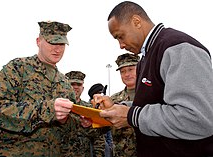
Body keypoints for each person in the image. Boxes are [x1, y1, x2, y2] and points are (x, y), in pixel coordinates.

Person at [94, 1, 213, 157]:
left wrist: (132, 116)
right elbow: (157, 103)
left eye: (120, 36)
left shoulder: (178, 48)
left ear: (136, 22)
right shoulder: (146, 57)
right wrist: (118, 107)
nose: (121, 45)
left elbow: (197, 119)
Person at [0, 21, 93, 156]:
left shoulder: (65, 83)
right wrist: (47, 110)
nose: (57, 49)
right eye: (52, 43)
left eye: (62, 44)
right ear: (38, 41)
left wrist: (79, 123)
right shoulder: (17, 68)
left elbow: (70, 134)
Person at [64, 71, 106, 157]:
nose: (76, 87)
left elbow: (98, 138)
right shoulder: (60, 107)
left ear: (82, 88)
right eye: (73, 84)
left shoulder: (90, 109)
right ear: (66, 86)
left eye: (79, 85)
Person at [110, 53, 139, 157]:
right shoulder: (113, 100)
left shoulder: (152, 95)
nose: (127, 74)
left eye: (131, 69)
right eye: (123, 71)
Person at [88, 83, 113, 157]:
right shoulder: (87, 108)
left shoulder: (105, 108)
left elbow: (109, 133)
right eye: (99, 93)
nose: (100, 96)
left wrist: (109, 147)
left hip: (104, 148)